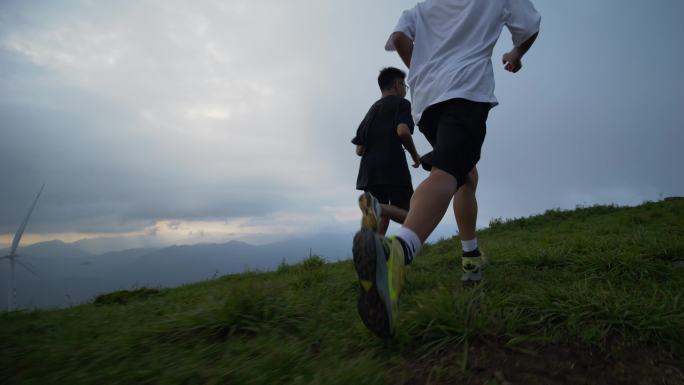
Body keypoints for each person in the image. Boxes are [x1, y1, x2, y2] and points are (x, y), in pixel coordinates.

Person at [353, 0, 541, 338]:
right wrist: (515, 54)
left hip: (428, 101)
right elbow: (530, 27)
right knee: (447, 173)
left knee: (466, 173)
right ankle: (396, 254)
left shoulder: (424, 6)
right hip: (466, 92)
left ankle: (471, 256)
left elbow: (398, 38)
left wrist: (426, 70)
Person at [352, 67, 421, 236]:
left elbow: (359, 150)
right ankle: (376, 206)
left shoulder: (371, 110)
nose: (405, 89)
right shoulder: (402, 104)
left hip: (369, 171)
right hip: (393, 167)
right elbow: (403, 131)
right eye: (404, 85)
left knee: (381, 216)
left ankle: (374, 251)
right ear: (397, 85)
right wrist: (415, 156)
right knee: (412, 217)